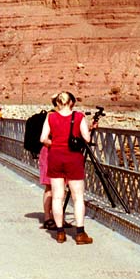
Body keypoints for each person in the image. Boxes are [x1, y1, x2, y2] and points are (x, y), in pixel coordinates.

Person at [39, 92, 96, 244]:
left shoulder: (50, 117)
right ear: (71, 102)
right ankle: (80, 233)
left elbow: (43, 139)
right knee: (78, 197)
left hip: (55, 157)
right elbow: (87, 138)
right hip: (73, 158)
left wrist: (56, 144)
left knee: (57, 196)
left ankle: (60, 233)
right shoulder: (79, 116)